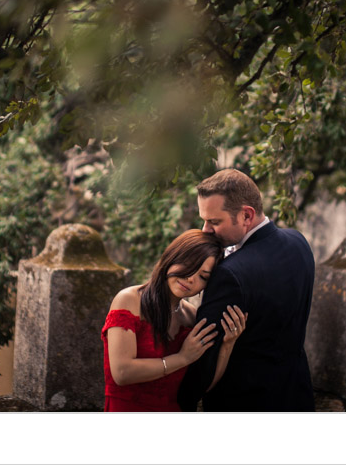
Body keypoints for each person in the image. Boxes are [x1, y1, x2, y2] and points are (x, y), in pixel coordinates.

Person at [177, 168, 316, 411]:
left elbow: (205, 357)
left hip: (243, 402)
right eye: (204, 219)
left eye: (214, 221)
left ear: (246, 216)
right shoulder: (299, 242)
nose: (205, 229)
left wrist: (184, 399)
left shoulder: (229, 274)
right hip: (297, 395)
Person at [102, 229, 248, 411]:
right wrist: (182, 358)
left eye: (203, 277)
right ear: (172, 257)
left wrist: (228, 344)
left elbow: (202, 386)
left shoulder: (192, 318)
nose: (190, 278)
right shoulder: (129, 300)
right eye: (188, 265)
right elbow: (122, 372)